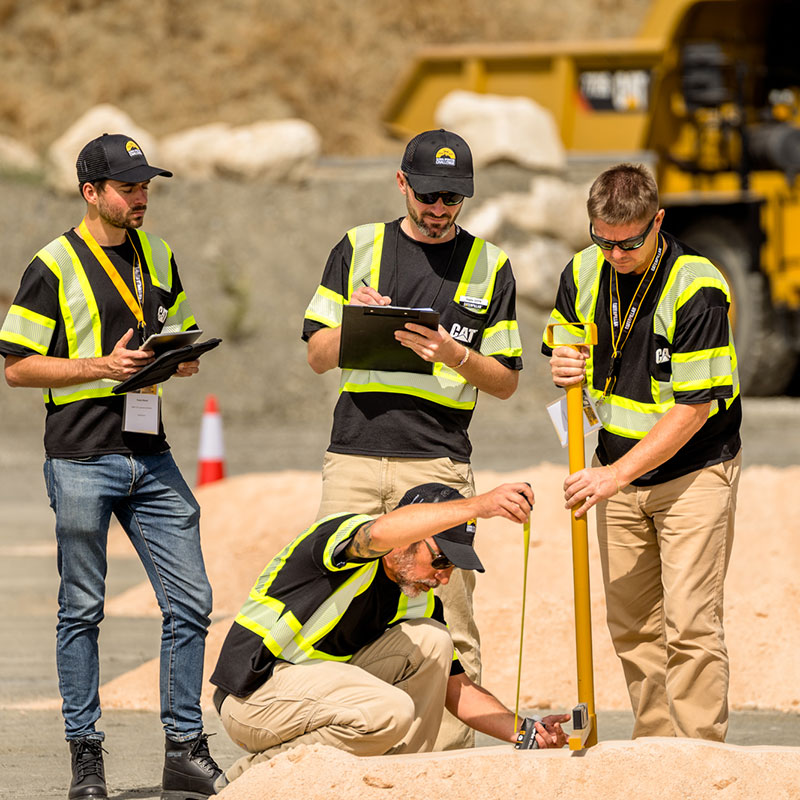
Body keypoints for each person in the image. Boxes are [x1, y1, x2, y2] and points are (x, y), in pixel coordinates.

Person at [0, 134, 226, 800]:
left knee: (191, 603)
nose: (141, 197)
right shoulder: (53, 264)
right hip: (80, 455)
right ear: (89, 192)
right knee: (82, 610)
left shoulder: (158, 256)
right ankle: (86, 759)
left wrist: (178, 360)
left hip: (150, 452)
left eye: (145, 186)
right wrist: (101, 367)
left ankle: (184, 749)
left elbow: (173, 335)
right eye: (128, 187)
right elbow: (16, 366)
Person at [302, 129, 523, 749]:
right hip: (355, 455)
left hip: (440, 460)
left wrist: (454, 353)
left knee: (450, 610)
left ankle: (450, 759)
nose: (439, 208)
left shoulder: (491, 265)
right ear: (402, 183)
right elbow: (318, 357)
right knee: (336, 598)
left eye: (452, 197)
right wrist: (357, 320)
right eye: (428, 194)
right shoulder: (357, 247)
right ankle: (337, 743)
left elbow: (504, 381)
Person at [542, 163, 742, 741]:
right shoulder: (583, 269)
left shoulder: (697, 286)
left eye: (629, 242)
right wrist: (561, 362)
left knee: (689, 624)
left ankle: (699, 756)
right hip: (619, 473)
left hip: (692, 472)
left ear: (658, 221)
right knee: (632, 624)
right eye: (602, 240)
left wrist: (611, 476)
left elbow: (693, 409)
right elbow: (564, 337)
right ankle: (656, 748)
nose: (615, 254)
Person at [210, 481, 567, 782]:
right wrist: (480, 504)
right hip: (252, 697)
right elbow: (379, 532)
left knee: (434, 641)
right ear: (406, 537)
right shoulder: (342, 541)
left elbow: (459, 691)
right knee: (389, 710)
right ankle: (248, 779)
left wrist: (526, 732)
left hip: (312, 696)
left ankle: (395, 781)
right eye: (441, 560)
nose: (444, 577)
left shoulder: (415, 600)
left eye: (453, 567)